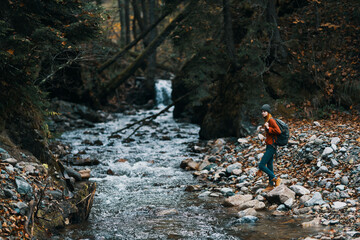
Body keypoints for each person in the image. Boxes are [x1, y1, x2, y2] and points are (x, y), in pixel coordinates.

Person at [258, 104, 281, 192]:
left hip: (272, 146)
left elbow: (278, 131)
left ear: (268, 112)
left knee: (261, 165)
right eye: (262, 111)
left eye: (264, 111)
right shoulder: (267, 120)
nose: (262, 113)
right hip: (269, 145)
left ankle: (276, 178)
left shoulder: (271, 120)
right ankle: (271, 185)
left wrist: (268, 128)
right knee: (269, 165)